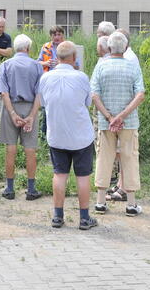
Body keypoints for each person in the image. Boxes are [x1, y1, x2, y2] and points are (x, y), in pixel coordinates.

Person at [39, 41, 97, 230]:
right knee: (82, 176)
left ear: (57, 57)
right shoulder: (81, 77)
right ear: (74, 58)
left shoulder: (45, 78)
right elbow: (88, 102)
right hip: (81, 136)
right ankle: (84, 218)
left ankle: (57, 216)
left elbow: (43, 103)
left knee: (59, 174)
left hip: (57, 134)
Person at [91, 32, 145, 217]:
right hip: (128, 122)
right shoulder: (132, 67)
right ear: (126, 47)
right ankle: (130, 204)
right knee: (129, 158)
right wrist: (121, 116)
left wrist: (108, 116)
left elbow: (94, 95)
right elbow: (140, 94)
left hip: (107, 124)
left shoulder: (101, 67)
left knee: (103, 158)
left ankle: (100, 202)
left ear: (109, 47)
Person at [0, 34, 43, 201]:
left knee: (11, 148)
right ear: (28, 48)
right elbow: (39, 93)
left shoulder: (6, 65)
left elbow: (4, 93)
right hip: (30, 106)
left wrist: (13, 113)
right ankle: (31, 189)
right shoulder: (37, 66)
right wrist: (31, 115)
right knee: (30, 149)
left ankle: (9, 188)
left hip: (11, 107)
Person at [38, 25, 80, 136]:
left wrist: (61, 63)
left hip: (66, 81)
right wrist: (45, 63)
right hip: (50, 81)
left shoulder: (69, 47)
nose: (57, 37)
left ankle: (64, 133)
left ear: (63, 35)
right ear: (51, 36)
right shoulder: (46, 47)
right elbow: (38, 62)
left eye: (59, 34)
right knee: (47, 108)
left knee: (64, 108)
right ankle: (44, 136)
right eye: (54, 35)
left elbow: (77, 66)